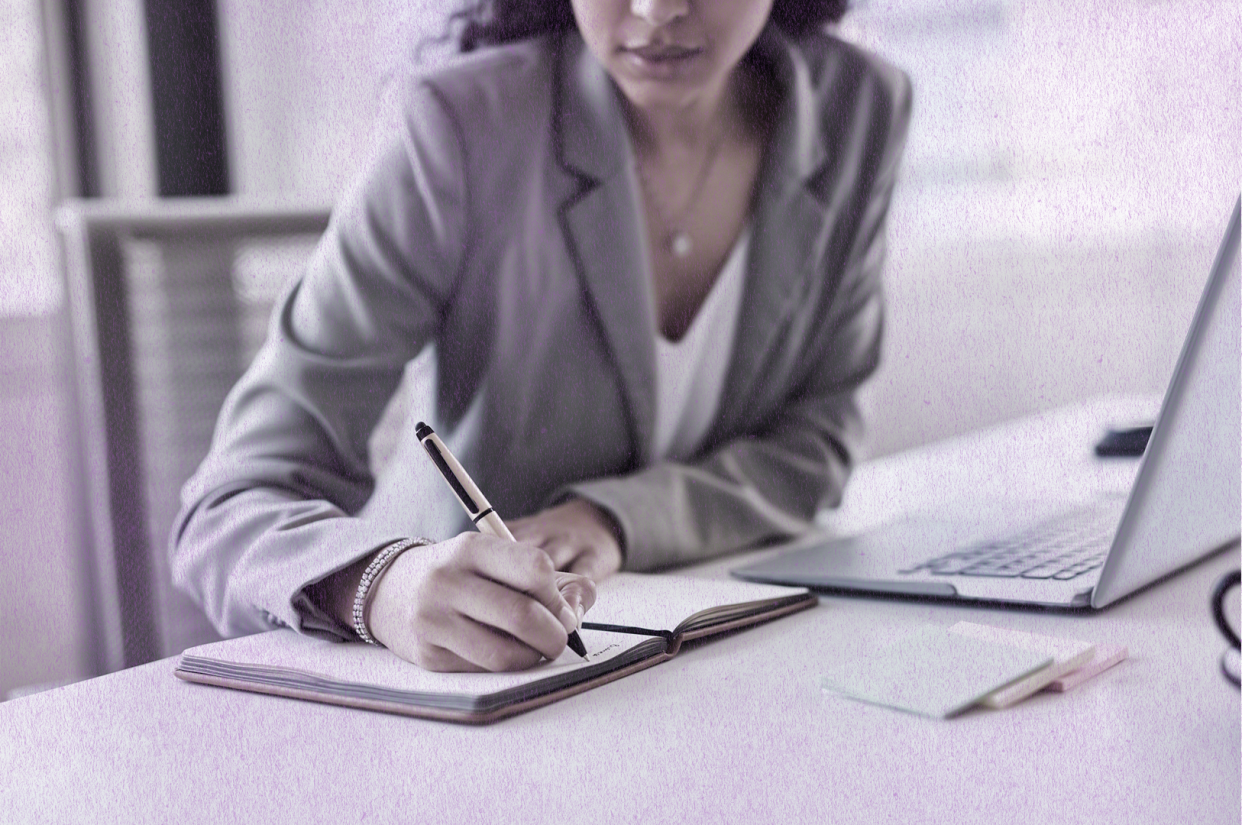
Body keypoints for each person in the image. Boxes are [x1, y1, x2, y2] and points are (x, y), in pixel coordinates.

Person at [171, 0, 911, 673]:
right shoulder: (457, 127)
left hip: (712, 664)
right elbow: (227, 504)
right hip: (466, 687)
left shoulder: (859, 109)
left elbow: (816, 444)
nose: (656, 10)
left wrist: (616, 520)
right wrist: (380, 585)